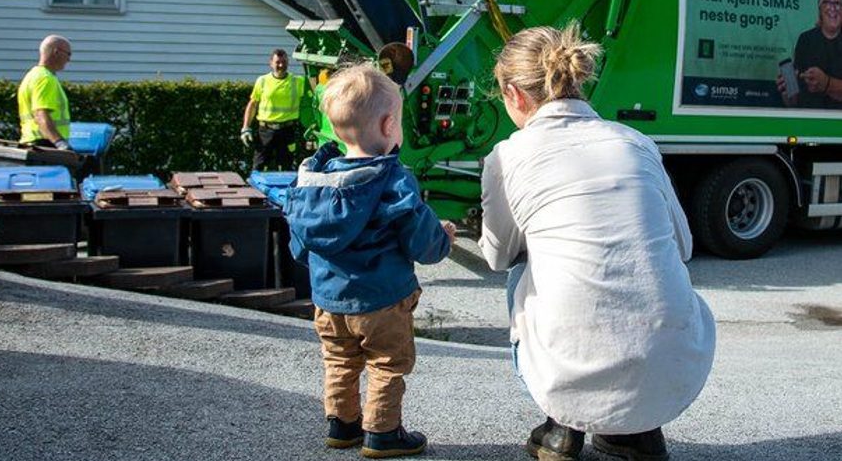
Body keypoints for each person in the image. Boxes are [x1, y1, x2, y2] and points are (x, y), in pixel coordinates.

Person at [479, 24, 715, 461]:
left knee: (521, 270)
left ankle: (561, 427)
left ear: (512, 94)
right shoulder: (636, 142)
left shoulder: (508, 156)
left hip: (565, 367)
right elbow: (683, 246)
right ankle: (637, 434)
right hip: (674, 371)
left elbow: (496, 256)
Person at [284, 63, 456, 459]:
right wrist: (442, 239)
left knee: (339, 359)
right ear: (388, 125)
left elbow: (300, 245)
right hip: (382, 300)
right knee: (387, 363)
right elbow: (421, 242)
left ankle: (342, 425)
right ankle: (382, 433)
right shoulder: (392, 179)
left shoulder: (313, 182)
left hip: (328, 301)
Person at [777, 0, 842, 108]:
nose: (832, 8)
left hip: (839, 118)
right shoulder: (805, 39)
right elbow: (793, 102)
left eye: (837, 3)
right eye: (827, 2)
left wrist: (825, 83)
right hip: (807, 117)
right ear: (820, 8)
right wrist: (787, 91)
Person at [241, 48, 308, 170]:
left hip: (287, 131)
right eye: (278, 62)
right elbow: (253, 104)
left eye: (284, 62)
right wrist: (246, 128)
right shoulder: (262, 81)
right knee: (259, 166)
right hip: (265, 131)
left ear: (288, 62)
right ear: (271, 63)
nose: (281, 65)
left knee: (286, 168)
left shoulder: (298, 81)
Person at [17, 34, 72, 150]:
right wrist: (59, 143)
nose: (69, 59)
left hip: (29, 143)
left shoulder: (31, 76)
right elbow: (40, 115)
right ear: (56, 52)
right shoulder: (46, 79)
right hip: (45, 145)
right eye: (68, 54)